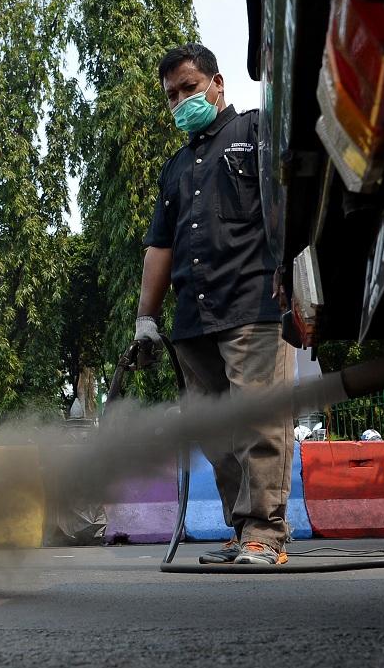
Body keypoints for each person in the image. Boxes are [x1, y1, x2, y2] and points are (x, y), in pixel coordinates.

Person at [134, 43, 293, 565]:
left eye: (188, 88)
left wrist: (297, 277)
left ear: (217, 83)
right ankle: (240, 528)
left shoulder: (256, 132)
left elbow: (295, 202)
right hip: (194, 319)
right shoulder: (176, 167)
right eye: (172, 95)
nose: (181, 101)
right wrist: (145, 319)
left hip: (254, 301)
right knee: (213, 433)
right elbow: (160, 246)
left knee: (257, 423)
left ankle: (265, 534)